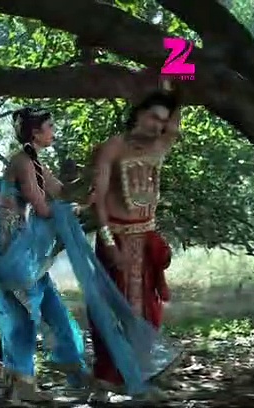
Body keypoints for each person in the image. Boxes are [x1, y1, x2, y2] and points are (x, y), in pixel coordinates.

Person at [0, 106, 182, 405]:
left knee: (53, 311)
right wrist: (77, 207)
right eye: (50, 126)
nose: (54, 131)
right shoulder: (23, 162)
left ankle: (73, 373)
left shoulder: (36, 162)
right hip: (11, 247)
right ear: (36, 132)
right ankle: (22, 385)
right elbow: (43, 208)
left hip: (29, 249)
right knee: (22, 313)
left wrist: (88, 189)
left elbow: (60, 191)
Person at [88, 89, 183, 401]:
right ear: (138, 113)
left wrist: (174, 70)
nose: (158, 126)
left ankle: (143, 376)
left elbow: (178, 103)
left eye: (163, 122)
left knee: (148, 312)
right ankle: (106, 381)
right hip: (115, 238)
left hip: (146, 240)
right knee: (113, 310)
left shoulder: (161, 144)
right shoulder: (112, 147)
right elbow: (99, 199)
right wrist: (108, 244)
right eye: (154, 117)